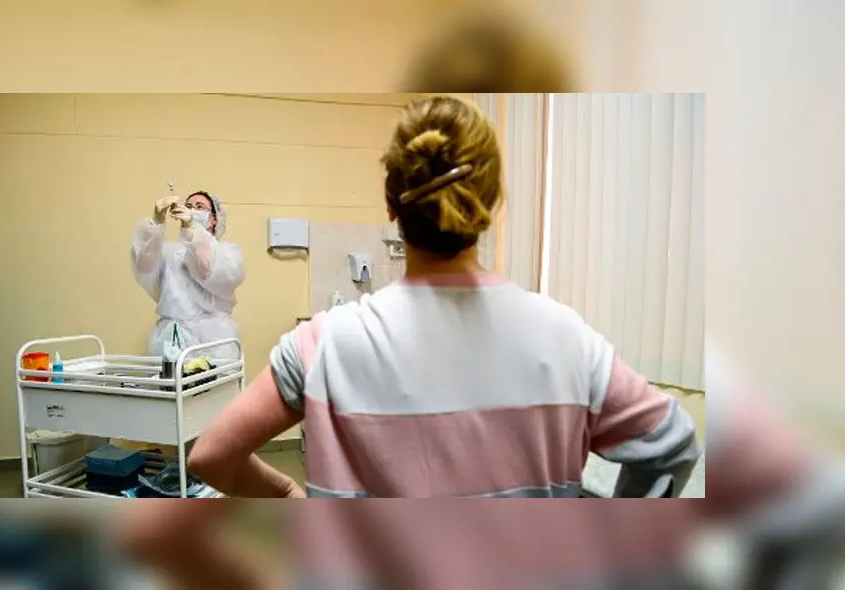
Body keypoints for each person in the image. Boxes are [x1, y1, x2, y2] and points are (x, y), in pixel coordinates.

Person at [183, 95, 702, 499]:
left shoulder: (321, 347)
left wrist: (287, 490)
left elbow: (213, 455)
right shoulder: (569, 341)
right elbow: (673, 445)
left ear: (391, 206)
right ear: (492, 202)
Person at [130, 190, 244, 362]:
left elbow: (206, 270)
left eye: (200, 207)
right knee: (170, 386)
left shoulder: (226, 253)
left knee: (213, 388)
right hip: (171, 337)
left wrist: (192, 229)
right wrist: (157, 222)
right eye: (189, 206)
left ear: (214, 219)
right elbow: (144, 265)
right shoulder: (169, 252)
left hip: (213, 341)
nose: (192, 210)